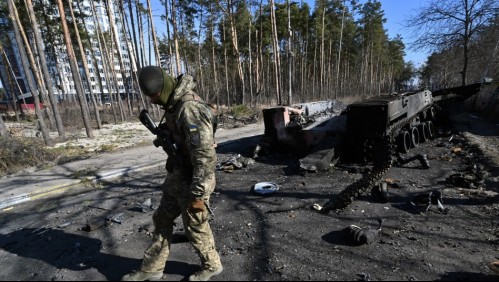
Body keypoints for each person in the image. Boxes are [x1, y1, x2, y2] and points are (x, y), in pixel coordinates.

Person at [122, 66, 222, 281]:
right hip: (179, 173)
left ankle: (212, 265)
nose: (152, 101)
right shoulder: (173, 104)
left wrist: (198, 194)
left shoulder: (189, 107)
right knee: (162, 218)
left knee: (195, 224)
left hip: (195, 176)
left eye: (154, 95)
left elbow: (205, 157)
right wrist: (166, 136)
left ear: (164, 88)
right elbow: (181, 134)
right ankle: (152, 268)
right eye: (149, 96)